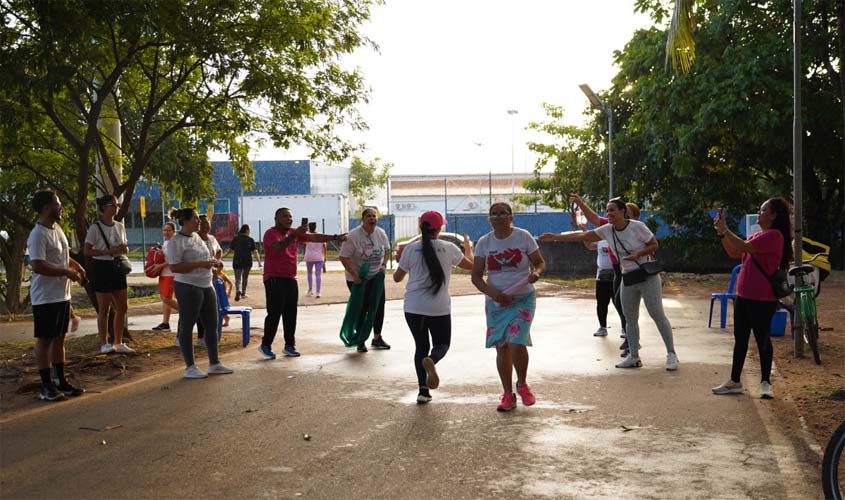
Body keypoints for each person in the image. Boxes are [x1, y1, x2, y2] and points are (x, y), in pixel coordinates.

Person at [539, 197, 679, 371]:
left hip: (647, 276)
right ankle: (634, 356)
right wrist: (555, 237)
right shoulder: (607, 230)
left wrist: (638, 254)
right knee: (630, 318)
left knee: (657, 314)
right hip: (628, 276)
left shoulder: (637, 227)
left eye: (612, 210)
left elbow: (654, 244)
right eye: (607, 210)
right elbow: (583, 235)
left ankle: (671, 354)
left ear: (622, 211)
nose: (608, 213)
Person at [711, 198, 792, 399]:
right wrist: (721, 233)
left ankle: (765, 382)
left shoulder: (774, 236)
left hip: (762, 298)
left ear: (773, 215)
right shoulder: (757, 235)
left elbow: (744, 246)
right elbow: (734, 252)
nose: (759, 212)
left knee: (762, 339)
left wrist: (726, 229)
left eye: (763, 210)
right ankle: (734, 380)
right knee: (740, 340)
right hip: (744, 296)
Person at [393, 211, 474, 404]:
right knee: (442, 345)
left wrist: (404, 264)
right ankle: (433, 360)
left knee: (420, 346)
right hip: (439, 308)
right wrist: (467, 247)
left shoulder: (410, 250)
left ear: (420, 227)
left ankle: (423, 391)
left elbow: (397, 278)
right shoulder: (448, 248)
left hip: (413, 307)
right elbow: (470, 266)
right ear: (439, 229)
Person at [471, 202, 546, 412]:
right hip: (496, 301)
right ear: (489, 219)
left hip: (522, 298)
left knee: (516, 341)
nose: (499, 217)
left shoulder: (523, 236)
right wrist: (494, 294)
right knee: (502, 346)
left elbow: (540, 262)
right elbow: (476, 277)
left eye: (504, 213)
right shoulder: (484, 243)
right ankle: (507, 394)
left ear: (511, 216)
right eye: (494, 214)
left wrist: (536, 273)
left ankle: (522, 384)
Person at [260, 207, 345, 359]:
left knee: (291, 314)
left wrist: (335, 236)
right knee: (274, 313)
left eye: (290, 216)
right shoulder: (271, 233)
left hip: (291, 278)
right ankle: (266, 345)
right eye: (285, 216)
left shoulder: (294, 233)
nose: (289, 219)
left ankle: (289, 345)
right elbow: (278, 248)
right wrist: (295, 234)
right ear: (276, 218)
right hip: (274, 278)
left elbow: (314, 237)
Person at [27, 190, 87, 401]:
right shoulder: (37, 234)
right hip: (45, 297)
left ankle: (61, 380)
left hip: (62, 295)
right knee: (44, 340)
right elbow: (38, 265)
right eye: (57, 203)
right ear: (46, 207)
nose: (60, 207)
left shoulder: (57, 228)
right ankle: (46, 385)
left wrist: (76, 265)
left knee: (59, 339)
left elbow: (64, 255)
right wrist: (65, 272)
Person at [164, 207, 233, 379]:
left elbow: (206, 255)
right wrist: (200, 264)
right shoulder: (176, 241)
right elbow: (175, 267)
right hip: (188, 286)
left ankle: (214, 363)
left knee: (212, 324)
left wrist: (213, 262)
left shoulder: (196, 237)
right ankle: (190, 366)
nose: (199, 221)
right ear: (185, 221)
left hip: (206, 283)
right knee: (187, 325)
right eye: (195, 218)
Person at [84, 194, 134, 355]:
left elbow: (125, 246)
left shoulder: (120, 226)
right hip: (102, 267)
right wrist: (107, 251)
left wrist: (123, 249)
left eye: (117, 204)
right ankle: (104, 343)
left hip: (117, 267)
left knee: (122, 306)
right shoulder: (95, 228)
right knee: (104, 308)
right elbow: (87, 251)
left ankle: (118, 342)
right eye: (113, 204)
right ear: (104, 207)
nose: (116, 206)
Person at [339, 208, 392, 352]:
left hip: (376, 277)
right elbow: (343, 257)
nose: (372, 218)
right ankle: (360, 339)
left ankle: (377, 338)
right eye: (369, 216)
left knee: (378, 306)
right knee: (362, 308)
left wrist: (383, 265)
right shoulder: (354, 235)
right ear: (363, 219)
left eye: (374, 216)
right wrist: (355, 275)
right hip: (357, 278)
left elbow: (387, 250)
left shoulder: (380, 233)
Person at [584, 237, 625, 337]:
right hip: (602, 275)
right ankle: (602, 327)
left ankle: (625, 328)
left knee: (619, 302)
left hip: (617, 274)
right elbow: (589, 246)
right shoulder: (599, 239)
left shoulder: (617, 237)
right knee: (601, 303)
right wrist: (584, 230)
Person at [193, 214, 223, 348]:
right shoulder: (194, 239)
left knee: (209, 309)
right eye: (202, 223)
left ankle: (208, 337)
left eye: (207, 223)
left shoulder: (211, 238)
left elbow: (219, 251)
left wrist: (217, 262)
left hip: (209, 278)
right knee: (198, 309)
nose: (205, 226)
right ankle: (199, 337)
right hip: (196, 279)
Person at [152, 222, 179, 331]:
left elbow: (173, 260)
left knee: (166, 298)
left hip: (170, 274)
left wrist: (160, 266)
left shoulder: (173, 243)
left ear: (174, 231)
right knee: (165, 299)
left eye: (168, 230)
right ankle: (165, 323)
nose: (166, 232)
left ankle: (187, 312)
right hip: (164, 273)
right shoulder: (166, 242)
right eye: (164, 230)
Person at [224, 224, 261, 301]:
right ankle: (243, 293)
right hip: (247, 261)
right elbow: (255, 251)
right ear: (247, 230)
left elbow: (230, 250)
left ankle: (238, 290)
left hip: (237, 260)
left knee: (237, 278)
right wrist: (259, 262)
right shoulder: (250, 239)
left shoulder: (236, 239)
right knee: (245, 277)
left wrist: (223, 256)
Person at [304, 222, 327, 298]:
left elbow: (303, 242)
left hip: (309, 256)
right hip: (319, 257)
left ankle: (310, 290)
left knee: (309, 273)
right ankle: (318, 292)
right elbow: (324, 247)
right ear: (316, 227)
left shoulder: (307, 235)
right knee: (318, 275)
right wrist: (325, 256)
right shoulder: (320, 235)